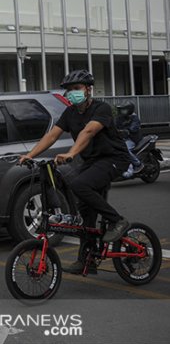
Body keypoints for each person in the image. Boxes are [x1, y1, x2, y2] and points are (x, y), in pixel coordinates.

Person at [18, 69, 131, 274]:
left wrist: (71, 153)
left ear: (88, 90)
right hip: (92, 161)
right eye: (69, 90)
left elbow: (89, 131)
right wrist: (30, 155)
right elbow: (52, 136)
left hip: (114, 158)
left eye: (77, 89)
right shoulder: (70, 113)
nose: (73, 93)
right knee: (85, 211)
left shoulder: (101, 108)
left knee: (80, 185)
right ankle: (86, 260)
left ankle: (117, 221)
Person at [115, 101, 143, 178]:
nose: (122, 111)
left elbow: (133, 128)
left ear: (129, 109)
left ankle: (137, 164)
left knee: (125, 150)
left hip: (132, 139)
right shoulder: (119, 118)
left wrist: (127, 130)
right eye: (121, 109)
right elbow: (114, 126)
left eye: (124, 109)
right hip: (121, 139)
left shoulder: (134, 118)